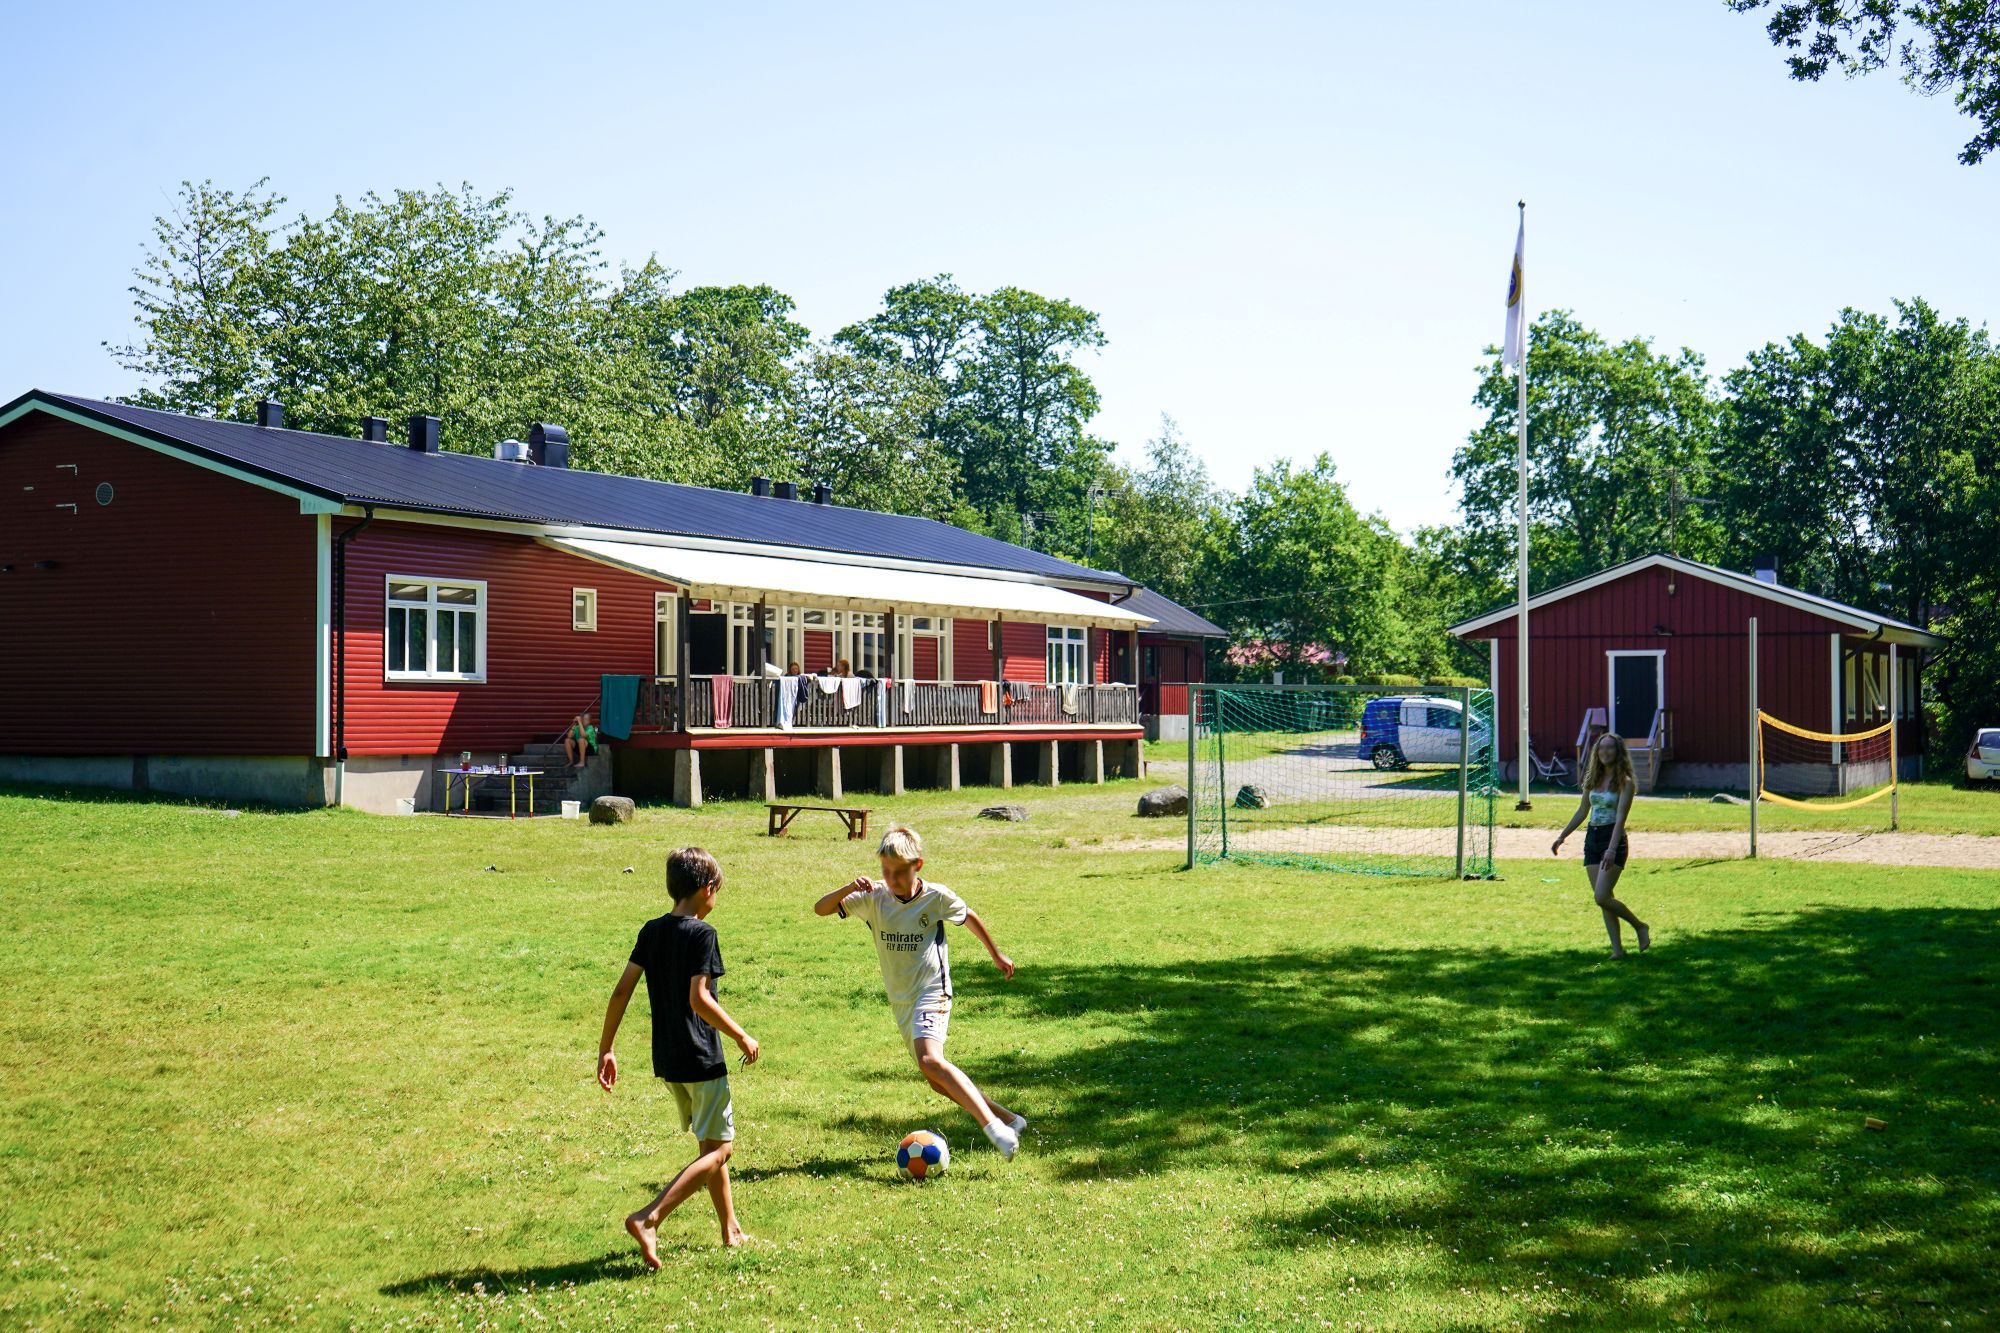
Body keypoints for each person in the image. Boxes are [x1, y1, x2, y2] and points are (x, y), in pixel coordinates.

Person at [813, 824, 1026, 1158]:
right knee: (935, 1079)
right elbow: (820, 908)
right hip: (901, 1001)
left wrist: (996, 954)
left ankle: (994, 1130)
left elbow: (968, 915)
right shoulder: (873, 898)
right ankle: (1010, 1119)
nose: (892, 878)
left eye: (899, 872)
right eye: (886, 870)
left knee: (930, 1060)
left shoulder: (935, 897)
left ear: (918, 866)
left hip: (932, 990)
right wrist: (848, 887)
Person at [597, 848, 760, 1264]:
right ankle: (650, 1217)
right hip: (702, 1056)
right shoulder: (703, 933)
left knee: (710, 1143)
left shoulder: (651, 930)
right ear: (708, 890)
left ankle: (731, 1229)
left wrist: (607, 1048)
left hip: (668, 1058)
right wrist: (741, 1035)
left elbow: (621, 991)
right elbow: (700, 998)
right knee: (721, 1150)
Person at [1552, 732, 1653, 959]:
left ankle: (1639, 926)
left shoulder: (1625, 783)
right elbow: (1582, 811)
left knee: (1601, 896)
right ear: (1597, 752)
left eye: (1610, 748)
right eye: (1601, 748)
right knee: (1605, 898)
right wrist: (1562, 836)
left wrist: (1611, 848)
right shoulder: (1592, 778)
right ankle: (1617, 950)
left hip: (1613, 839)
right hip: (1592, 838)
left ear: (1618, 753)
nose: (1605, 752)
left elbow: (1620, 819)